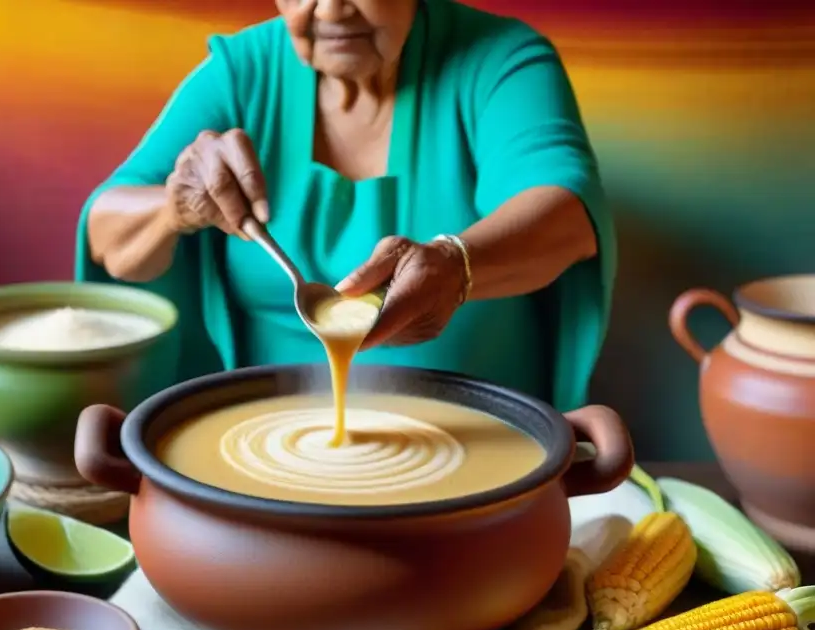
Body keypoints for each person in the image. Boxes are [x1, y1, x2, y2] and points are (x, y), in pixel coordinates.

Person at [76, 0, 615, 412]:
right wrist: (175, 207)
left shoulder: (501, 59)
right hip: (266, 447)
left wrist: (456, 266)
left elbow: (567, 216)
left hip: (476, 441)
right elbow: (107, 234)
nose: (331, 8)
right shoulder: (241, 74)